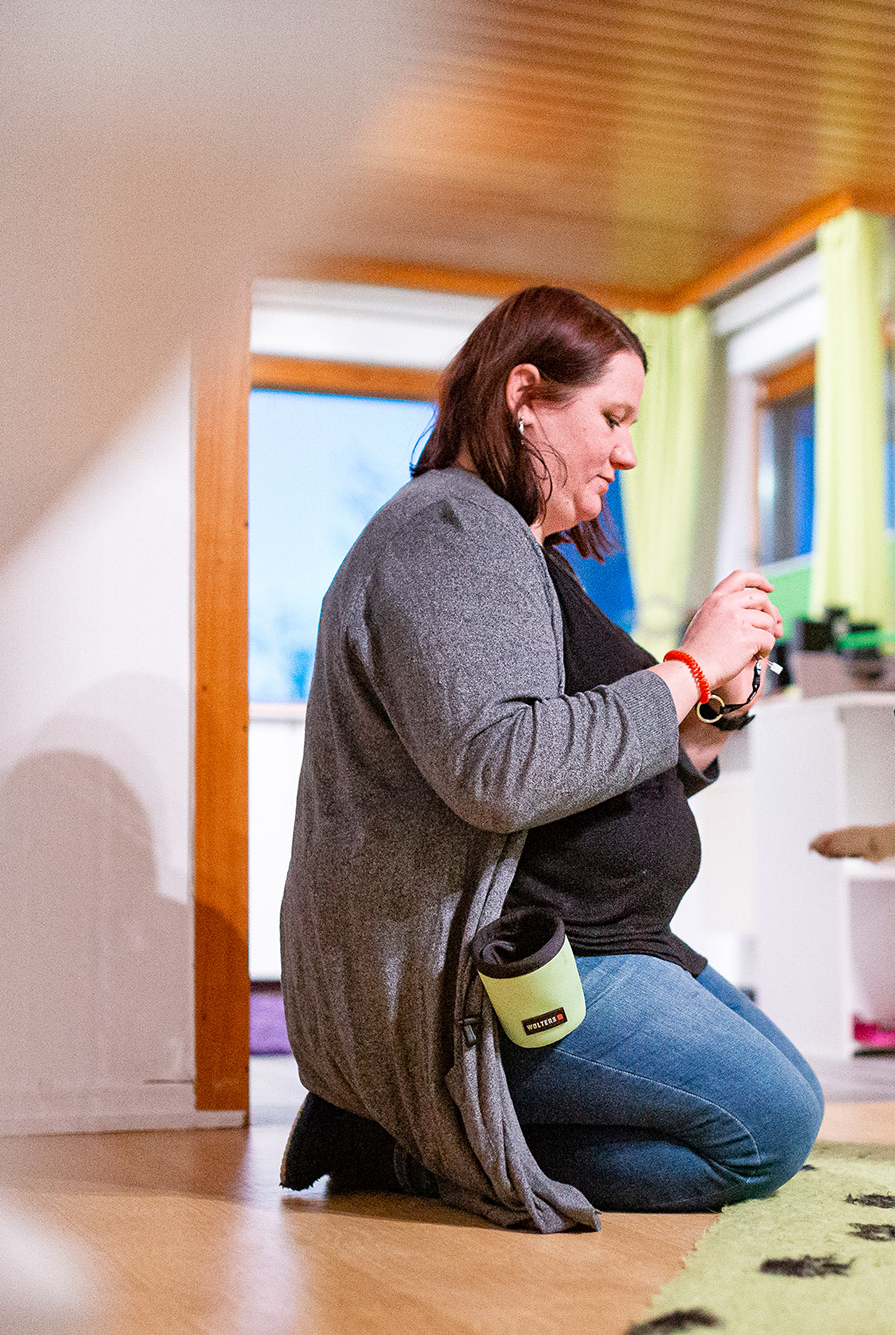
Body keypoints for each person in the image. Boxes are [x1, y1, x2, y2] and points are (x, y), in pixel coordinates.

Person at [277, 286, 823, 1231]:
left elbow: (569, 760)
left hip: (605, 935)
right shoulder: (451, 530)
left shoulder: (520, 552)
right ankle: (425, 1138)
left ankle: (444, 1133)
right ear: (525, 397)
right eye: (611, 417)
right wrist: (687, 667)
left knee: (787, 1092)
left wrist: (702, 725)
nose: (629, 451)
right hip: (501, 974)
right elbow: (500, 768)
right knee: (771, 1128)